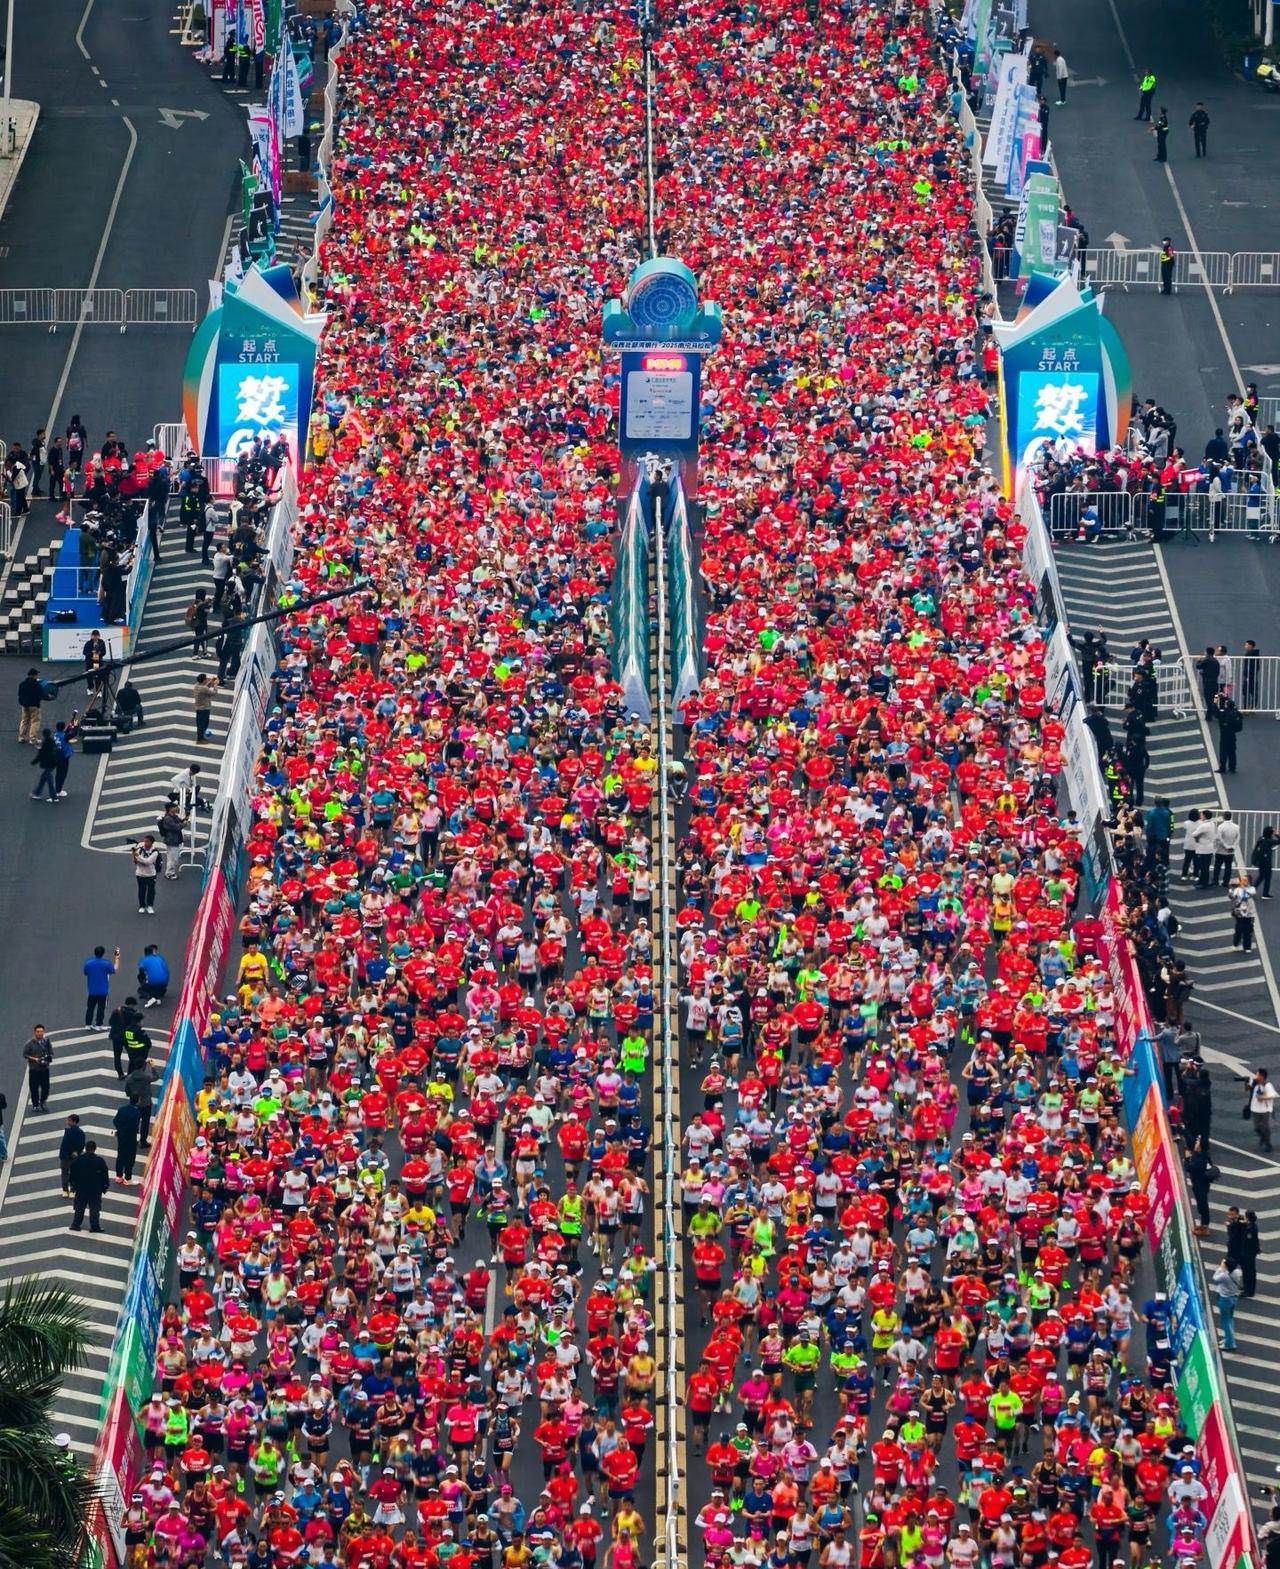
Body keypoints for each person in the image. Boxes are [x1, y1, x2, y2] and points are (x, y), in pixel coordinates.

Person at [68, 1139, 109, 1232]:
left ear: (85, 1148)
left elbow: (72, 1174)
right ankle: (94, 1226)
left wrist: (73, 1186)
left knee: (79, 1208)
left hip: (81, 1189)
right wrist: (105, 1186)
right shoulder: (99, 1161)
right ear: (94, 1149)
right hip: (95, 1190)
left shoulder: (78, 1160)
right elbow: (105, 1175)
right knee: (94, 1209)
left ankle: (75, 1224)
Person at [82, 944, 121, 1029]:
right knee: (101, 1008)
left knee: (90, 1008)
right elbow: (115, 970)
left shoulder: (88, 963)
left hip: (91, 990)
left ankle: (88, 1024)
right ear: (103, 953)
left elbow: (85, 973)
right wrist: (117, 958)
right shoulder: (106, 964)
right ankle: (99, 1024)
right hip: (103, 991)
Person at [123, 1059, 159, 1147]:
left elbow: (127, 1091)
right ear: (143, 1067)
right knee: (145, 1123)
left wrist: (132, 1095)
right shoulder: (146, 1077)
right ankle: (143, 1141)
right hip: (146, 1103)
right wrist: (153, 1067)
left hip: (134, 1103)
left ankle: (132, 1139)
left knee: (134, 1121)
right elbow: (156, 1076)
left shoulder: (129, 1078)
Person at [1184, 1138, 1216, 1236]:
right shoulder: (1202, 1155)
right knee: (1201, 1205)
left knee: (1202, 1205)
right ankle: (1203, 1224)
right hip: (1200, 1184)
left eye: (1197, 1143)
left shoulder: (1200, 1159)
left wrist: (1187, 1158)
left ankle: (1205, 1227)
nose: (1196, 1144)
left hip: (1200, 1185)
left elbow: (1189, 1167)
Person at [1212, 1257, 1242, 1349]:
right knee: (1230, 1320)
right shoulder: (1238, 1272)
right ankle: (1228, 1338)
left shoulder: (1225, 1276)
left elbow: (1215, 1278)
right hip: (1234, 1298)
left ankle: (1229, 1344)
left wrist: (1220, 1268)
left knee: (1226, 1322)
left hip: (1225, 1299)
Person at [113, 1095, 142, 1184]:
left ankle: (119, 1176)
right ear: (137, 1101)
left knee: (120, 1156)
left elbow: (115, 1120)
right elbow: (134, 1126)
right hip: (131, 1137)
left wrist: (120, 1130)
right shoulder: (137, 1113)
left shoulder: (122, 1109)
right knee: (130, 1157)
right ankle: (127, 1178)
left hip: (121, 1137)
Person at [23, 1025, 52, 1111]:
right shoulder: (29, 1044)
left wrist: (48, 1057)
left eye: (41, 1031)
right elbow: (25, 1054)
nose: (40, 1033)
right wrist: (35, 1059)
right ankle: (35, 1104)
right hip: (34, 1069)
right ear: (35, 1032)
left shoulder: (47, 1041)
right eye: (38, 1031)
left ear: (44, 1032)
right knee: (34, 1088)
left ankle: (43, 1101)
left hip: (44, 1069)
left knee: (46, 1087)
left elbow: (50, 1051)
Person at [1247, 1065, 1277, 1151]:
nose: (1256, 1076)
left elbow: (1272, 1095)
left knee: (1265, 1126)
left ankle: (1268, 1144)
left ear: (1262, 1076)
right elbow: (1247, 1089)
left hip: (1264, 1110)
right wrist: (1246, 1082)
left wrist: (1262, 1098)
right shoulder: (1254, 1083)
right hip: (1255, 1109)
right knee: (1257, 1127)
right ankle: (1263, 1137)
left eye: (1257, 1074)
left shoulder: (1267, 1085)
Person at [155, 802, 188, 879]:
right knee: (173, 858)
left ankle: (170, 872)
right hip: (172, 840)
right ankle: (170, 873)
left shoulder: (174, 816)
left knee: (171, 857)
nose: (177, 808)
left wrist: (185, 819)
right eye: (175, 807)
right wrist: (184, 824)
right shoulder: (168, 819)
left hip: (174, 840)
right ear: (170, 808)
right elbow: (176, 827)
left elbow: (180, 821)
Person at [132, 836, 161, 914]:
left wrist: (138, 856)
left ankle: (150, 906)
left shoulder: (155, 852)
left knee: (151, 891)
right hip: (140, 874)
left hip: (151, 874)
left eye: (147, 841)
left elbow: (148, 862)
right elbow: (135, 862)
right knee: (141, 890)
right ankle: (142, 906)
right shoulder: (140, 849)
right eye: (144, 841)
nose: (145, 843)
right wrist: (135, 856)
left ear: (152, 842)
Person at [1214, 692, 1242, 773]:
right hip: (1232, 736)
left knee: (1223, 752)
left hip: (1224, 736)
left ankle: (1222, 768)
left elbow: (1215, 711)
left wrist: (1215, 702)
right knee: (1232, 752)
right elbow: (1231, 704)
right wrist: (1226, 697)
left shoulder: (1223, 714)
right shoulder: (1235, 713)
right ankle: (1232, 767)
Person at [58, 1113, 85, 1197]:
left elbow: (64, 1145)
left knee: (65, 1173)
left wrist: (64, 1154)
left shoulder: (68, 1131)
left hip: (65, 1156)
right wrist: (77, 1152)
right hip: (75, 1156)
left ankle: (65, 1191)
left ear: (74, 1122)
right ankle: (73, 1191)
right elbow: (81, 1144)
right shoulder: (81, 1132)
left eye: (69, 1120)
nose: (67, 1121)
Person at [29, 728, 60, 801]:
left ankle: (53, 796)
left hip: (47, 764)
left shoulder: (45, 743)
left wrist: (34, 762)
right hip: (53, 763)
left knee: (49, 781)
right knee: (43, 778)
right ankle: (37, 793)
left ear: (43, 734)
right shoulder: (52, 741)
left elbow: (41, 755)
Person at [17, 668, 45, 745]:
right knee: (35, 721)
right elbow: (41, 695)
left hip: (24, 705)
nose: (37, 676)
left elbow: (19, 694)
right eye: (36, 674)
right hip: (34, 706)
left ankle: (21, 737)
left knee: (24, 720)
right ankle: (33, 739)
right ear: (33, 675)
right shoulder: (37, 685)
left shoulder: (22, 684)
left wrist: (22, 702)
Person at [1212, 811, 1240, 887]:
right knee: (1228, 867)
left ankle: (1215, 881)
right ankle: (1225, 882)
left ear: (1223, 817)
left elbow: (1220, 839)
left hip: (1221, 850)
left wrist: (1226, 846)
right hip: (1231, 851)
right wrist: (1232, 847)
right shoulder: (1236, 827)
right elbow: (1238, 838)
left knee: (1217, 867)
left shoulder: (1221, 827)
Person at [1231, 873, 1257, 952]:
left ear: (1249, 882)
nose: (1243, 882)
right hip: (1239, 912)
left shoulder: (1252, 888)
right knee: (1239, 929)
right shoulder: (1237, 889)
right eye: (1242, 880)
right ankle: (1235, 944)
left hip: (1249, 913)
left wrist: (1243, 888)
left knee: (1248, 930)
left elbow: (1251, 894)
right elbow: (1232, 896)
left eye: (1245, 880)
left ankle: (1247, 947)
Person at [193, 674, 220, 744]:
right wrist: (215, 685)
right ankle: (200, 739)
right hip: (204, 709)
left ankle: (201, 738)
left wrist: (211, 682)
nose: (207, 679)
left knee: (200, 724)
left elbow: (205, 687)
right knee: (203, 725)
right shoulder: (204, 688)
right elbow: (214, 693)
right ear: (203, 680)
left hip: (199, 708)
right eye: (206, 679)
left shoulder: (197, 686)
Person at [1251, 824, 1276, 897]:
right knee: (1267, 877)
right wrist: (1277, 835)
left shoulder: (1261, 838)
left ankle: (1252, 889)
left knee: (1261, 876)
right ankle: (1265, 894)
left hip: (1259, 861)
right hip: (1266, 862)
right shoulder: (1269, 841)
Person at [1241, 638, 1260, 708]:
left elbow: (1250, 666)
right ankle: (1252, 707)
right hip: (1251, 676)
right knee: (1252, 691)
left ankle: (1246, 708)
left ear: (1250, 646)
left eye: (1246, 644)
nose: (1245, 646)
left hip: (1249, 676)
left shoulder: (1250, 654)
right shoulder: (1254, 653)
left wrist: (1247, 676)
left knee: (1247, 691)